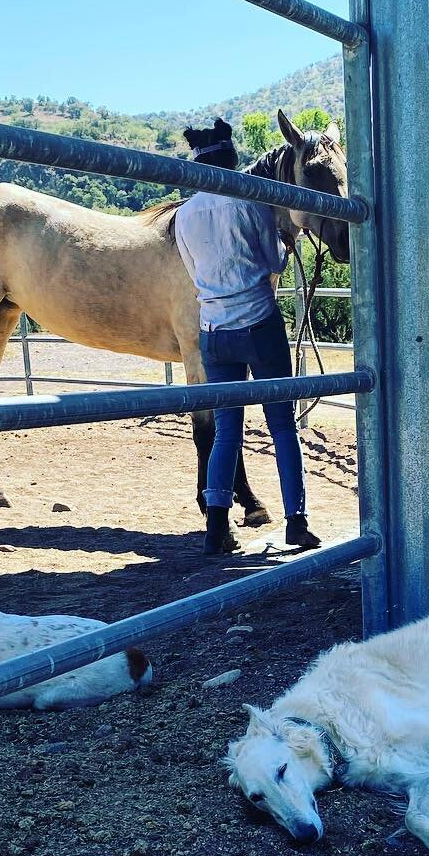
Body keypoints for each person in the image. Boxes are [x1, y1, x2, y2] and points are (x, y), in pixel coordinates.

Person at [175, 119, 321, 556]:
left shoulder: (184, 215)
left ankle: (216, 525)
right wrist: (284, 244)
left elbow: (192, 270)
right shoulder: (250, 202)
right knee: (281, 426)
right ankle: (296, 521)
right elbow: (273, 260)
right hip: (259, 325)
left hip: (214, 331)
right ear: (232, 159)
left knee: (226, 431)